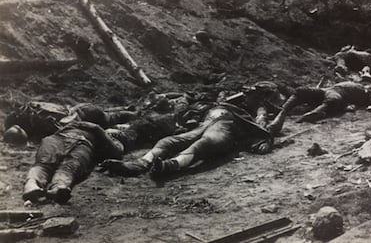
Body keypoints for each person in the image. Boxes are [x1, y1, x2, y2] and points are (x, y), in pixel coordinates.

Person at [100, 100, 286, 180]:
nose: (248, 96)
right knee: (169, 141)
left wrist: (265, 117)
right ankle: (140, 164)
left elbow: (265, 131)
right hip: (204, 124)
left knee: (204, 143)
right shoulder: (218, 104)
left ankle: (169, 166)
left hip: (225, 129)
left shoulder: (248, 116)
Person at [22, 121, 128, 204]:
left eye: (117, 133)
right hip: (58, 139)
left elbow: (116, 152)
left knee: (68, 167)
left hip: (82, 144)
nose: (113, 131)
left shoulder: (110, 140)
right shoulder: (85, 127)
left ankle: (57, 188)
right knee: (44, 163)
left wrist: (104, 134)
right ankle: (32, 185)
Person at [4, 101, 139, 140]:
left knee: (110, 118)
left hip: (83, 113)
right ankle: (127, 109)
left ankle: (134, 113)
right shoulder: (33, 106)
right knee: (107, 115)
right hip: (81, 108)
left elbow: (63, 130)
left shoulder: (42, 121)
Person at [274, 81, 371, 125]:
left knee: (303, 91)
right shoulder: (364, 90)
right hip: (330, 91)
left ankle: (314, 112)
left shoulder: (366, 92)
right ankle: (283, 110)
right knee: (302, 91)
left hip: (332, 93)